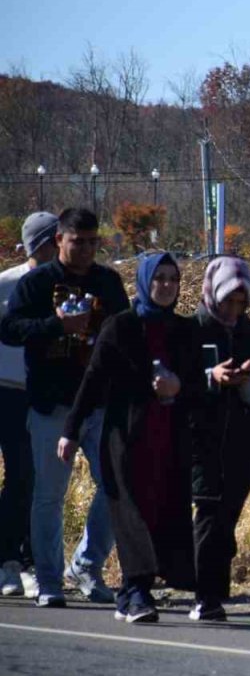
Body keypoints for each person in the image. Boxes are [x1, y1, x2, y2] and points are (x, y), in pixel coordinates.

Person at [62, 252, 201, 623]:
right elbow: (93, 381)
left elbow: (199, 387)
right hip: (126, 437)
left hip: (169, 438)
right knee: (130, 512)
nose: (167, 286)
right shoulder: (120, 327)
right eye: (159, 278)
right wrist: (71, 432)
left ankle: (130, 592)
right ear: (144, 282)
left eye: (173, 279)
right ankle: (138, 592)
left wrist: (179, 384)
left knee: (161, 510)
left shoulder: (186, 330)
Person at [0, 208, 126, 607]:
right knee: (48, 495)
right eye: (78, 241)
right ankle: (50, 579)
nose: (86, 248)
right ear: (59, 241)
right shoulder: (37, 284)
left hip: (98, 403)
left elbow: (127, 331)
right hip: (50, 403)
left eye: (92, 241)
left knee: (115, 485)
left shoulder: (107, 282)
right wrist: (56, 326)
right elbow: (11, 330)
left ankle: (87, 564)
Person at [189, 256, 250, 622]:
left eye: (242, 302)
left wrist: (246, 384)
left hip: (240, 437)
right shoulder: (191, 329)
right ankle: (205, 595)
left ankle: (214, 588)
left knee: (227, 514)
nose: (234, 309)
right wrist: (212, 377)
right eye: (228, 300)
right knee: (208, 510)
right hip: (201, 433)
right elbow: (177, 381)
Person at [0, 212, 59, 598]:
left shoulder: (66, 285)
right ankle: (8, 560)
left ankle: (23, 560)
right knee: (22, 475)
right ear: (40, 244)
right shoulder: (6, 283)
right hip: (4, 390)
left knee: (34, 480)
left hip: (41, 392)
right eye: (57, 239)